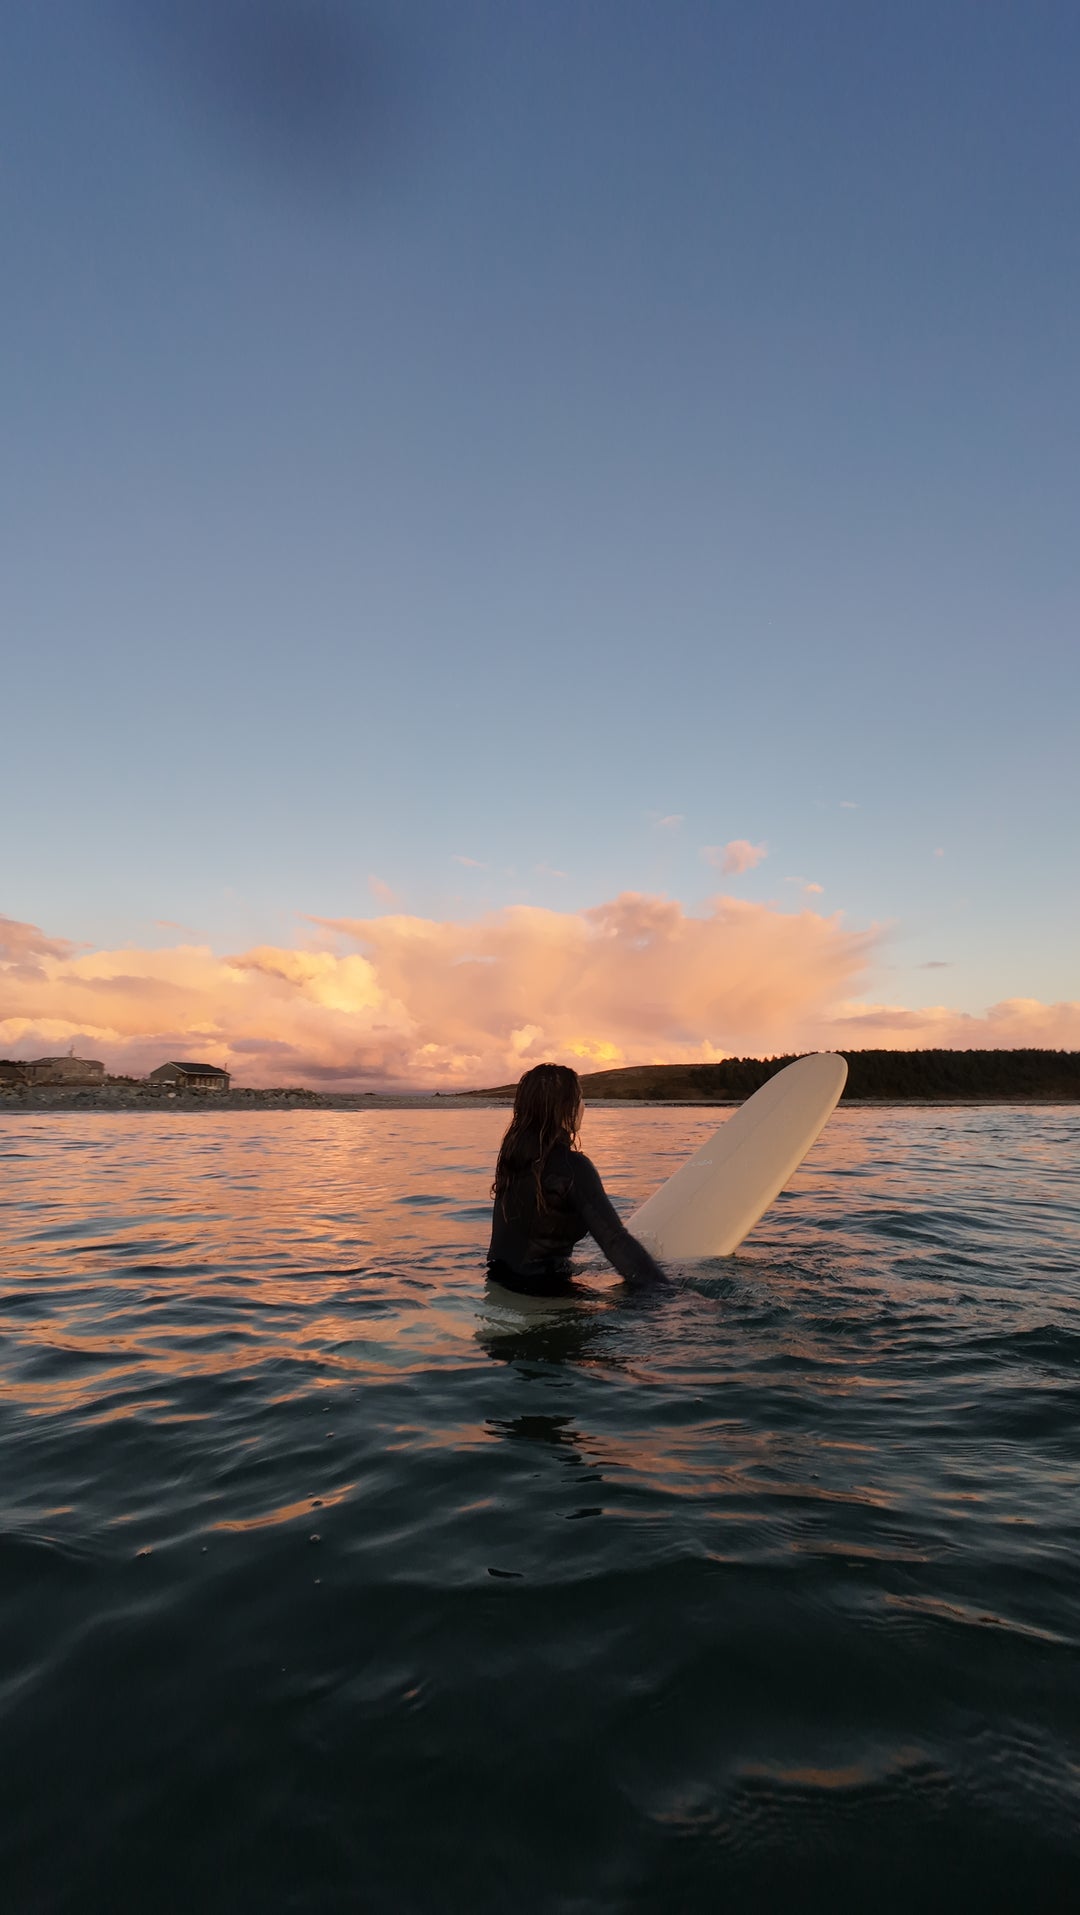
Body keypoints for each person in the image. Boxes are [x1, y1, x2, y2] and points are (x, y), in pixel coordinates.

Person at [487, 1062, 667, 1295]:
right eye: (580, 1098)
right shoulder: (572, 1168)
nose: (583, 1105)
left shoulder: (512, 1162)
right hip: (545, 1295)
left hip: (497, 1285)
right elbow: (614, 1240)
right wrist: (672, 1296)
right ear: (566, 1108)